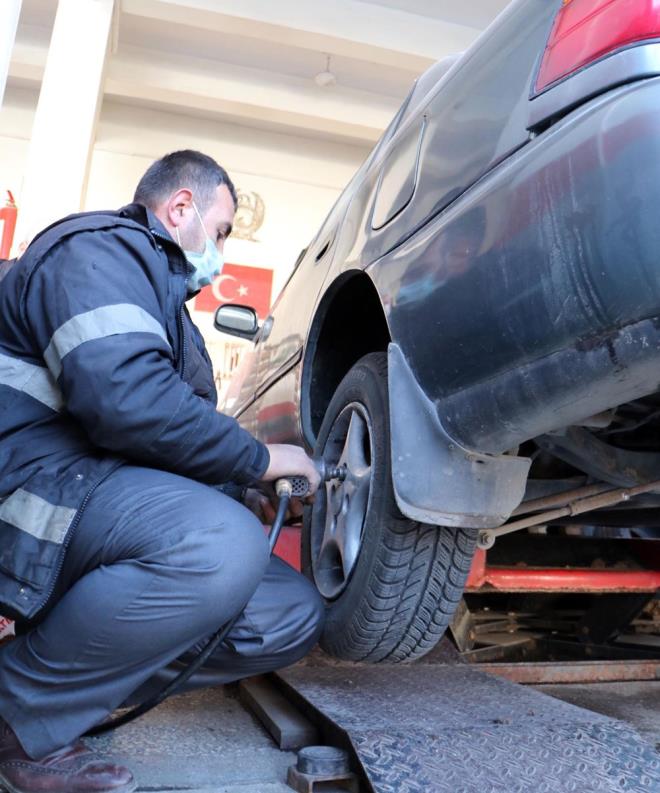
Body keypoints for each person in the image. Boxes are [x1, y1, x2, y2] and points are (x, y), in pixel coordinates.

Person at [0, 150, 324, 793]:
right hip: (33, 497)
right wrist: (261, 460)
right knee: (216, 545)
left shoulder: (175, 323)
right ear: (181, 208)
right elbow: (126, 402)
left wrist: (243, 491)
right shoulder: (98, 251)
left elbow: (170, 444)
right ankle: (18, 715)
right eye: (223, 230)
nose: (221, 253)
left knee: (285, 613)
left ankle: (55, 684)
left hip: (92, 509)